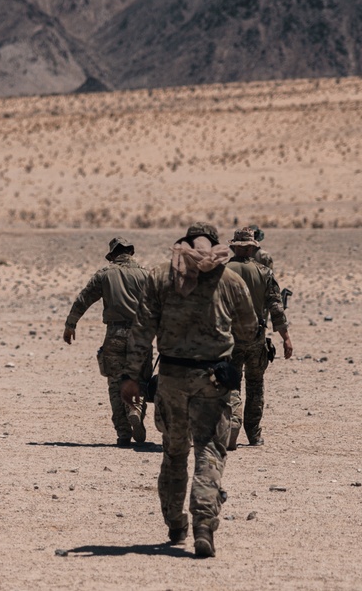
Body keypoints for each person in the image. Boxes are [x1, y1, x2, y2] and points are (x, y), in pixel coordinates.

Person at [123, 223, 258, 558]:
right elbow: (248, 328)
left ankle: (174, 522)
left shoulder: (160, 278)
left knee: (174, 453)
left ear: (182, 243)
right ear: (214, 245)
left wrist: (131, 377)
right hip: (213, 380)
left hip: (170, 379)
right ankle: (203, 524)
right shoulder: (229, 280)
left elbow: (141, 330)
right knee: (209, 453)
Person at [64, 237, 151, 446]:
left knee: (115, 383)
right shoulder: (146, 275)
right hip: (142, 334)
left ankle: (123, 433)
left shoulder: (105, 274)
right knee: (140, 380)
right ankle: (135, 411)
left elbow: (84, 298)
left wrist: (71, 324)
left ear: (112, 255)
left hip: (115, 333)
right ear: (131, 252)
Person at [225, 227, 293, 449]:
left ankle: (233, 422)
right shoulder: (264, 272)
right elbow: (276, 307)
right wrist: (286, 338)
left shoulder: (222, 272)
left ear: (234, 246)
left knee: (230, 384)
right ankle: (254, 434)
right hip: (256, 338)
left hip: (229, 340)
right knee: (255, 385)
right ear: (253, 247)